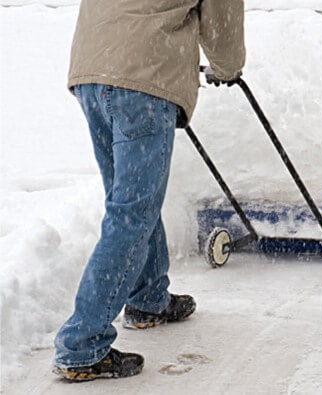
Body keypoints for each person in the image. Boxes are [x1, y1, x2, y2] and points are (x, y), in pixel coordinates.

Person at [53, 0, 245, 382]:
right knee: (131, 214)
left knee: (130, 203)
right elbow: (222, 18)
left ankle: (148, 298)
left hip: (94, 71)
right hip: (143, 79)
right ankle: (82, 344)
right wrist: (226, 67)